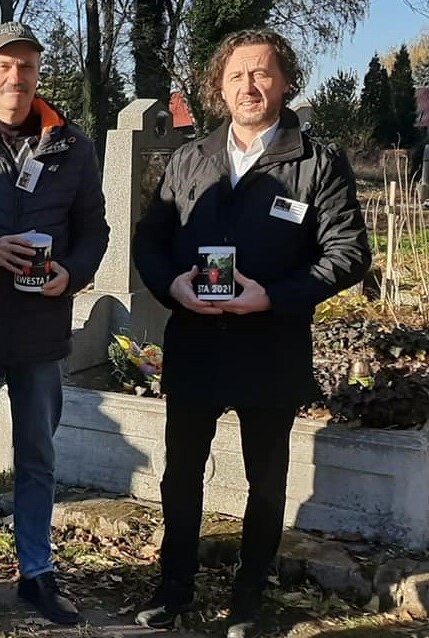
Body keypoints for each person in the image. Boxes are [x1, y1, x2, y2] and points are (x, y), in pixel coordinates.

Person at [131, 29, 371, 638]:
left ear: (285, 82)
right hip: (197, 342)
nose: (249, 86)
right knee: (180, 475)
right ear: (219, 86)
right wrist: (172, 288)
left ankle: (248, 602)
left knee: (266, 481)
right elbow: (151, 240)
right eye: (237, 75)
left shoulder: (316, 160)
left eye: (262, 73)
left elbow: (347, 252)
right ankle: (174, 589)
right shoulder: (190, 159)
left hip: (271, 345)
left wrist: (276, 296)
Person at [0, 21, 109, 626]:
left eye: (27, 66)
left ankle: (36, 571)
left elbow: (95, 231)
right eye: (4, 66)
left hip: (41, 331)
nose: (16, 78)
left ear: (38, 74)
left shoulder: (73, 146)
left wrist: (75, 274)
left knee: (37, 457)